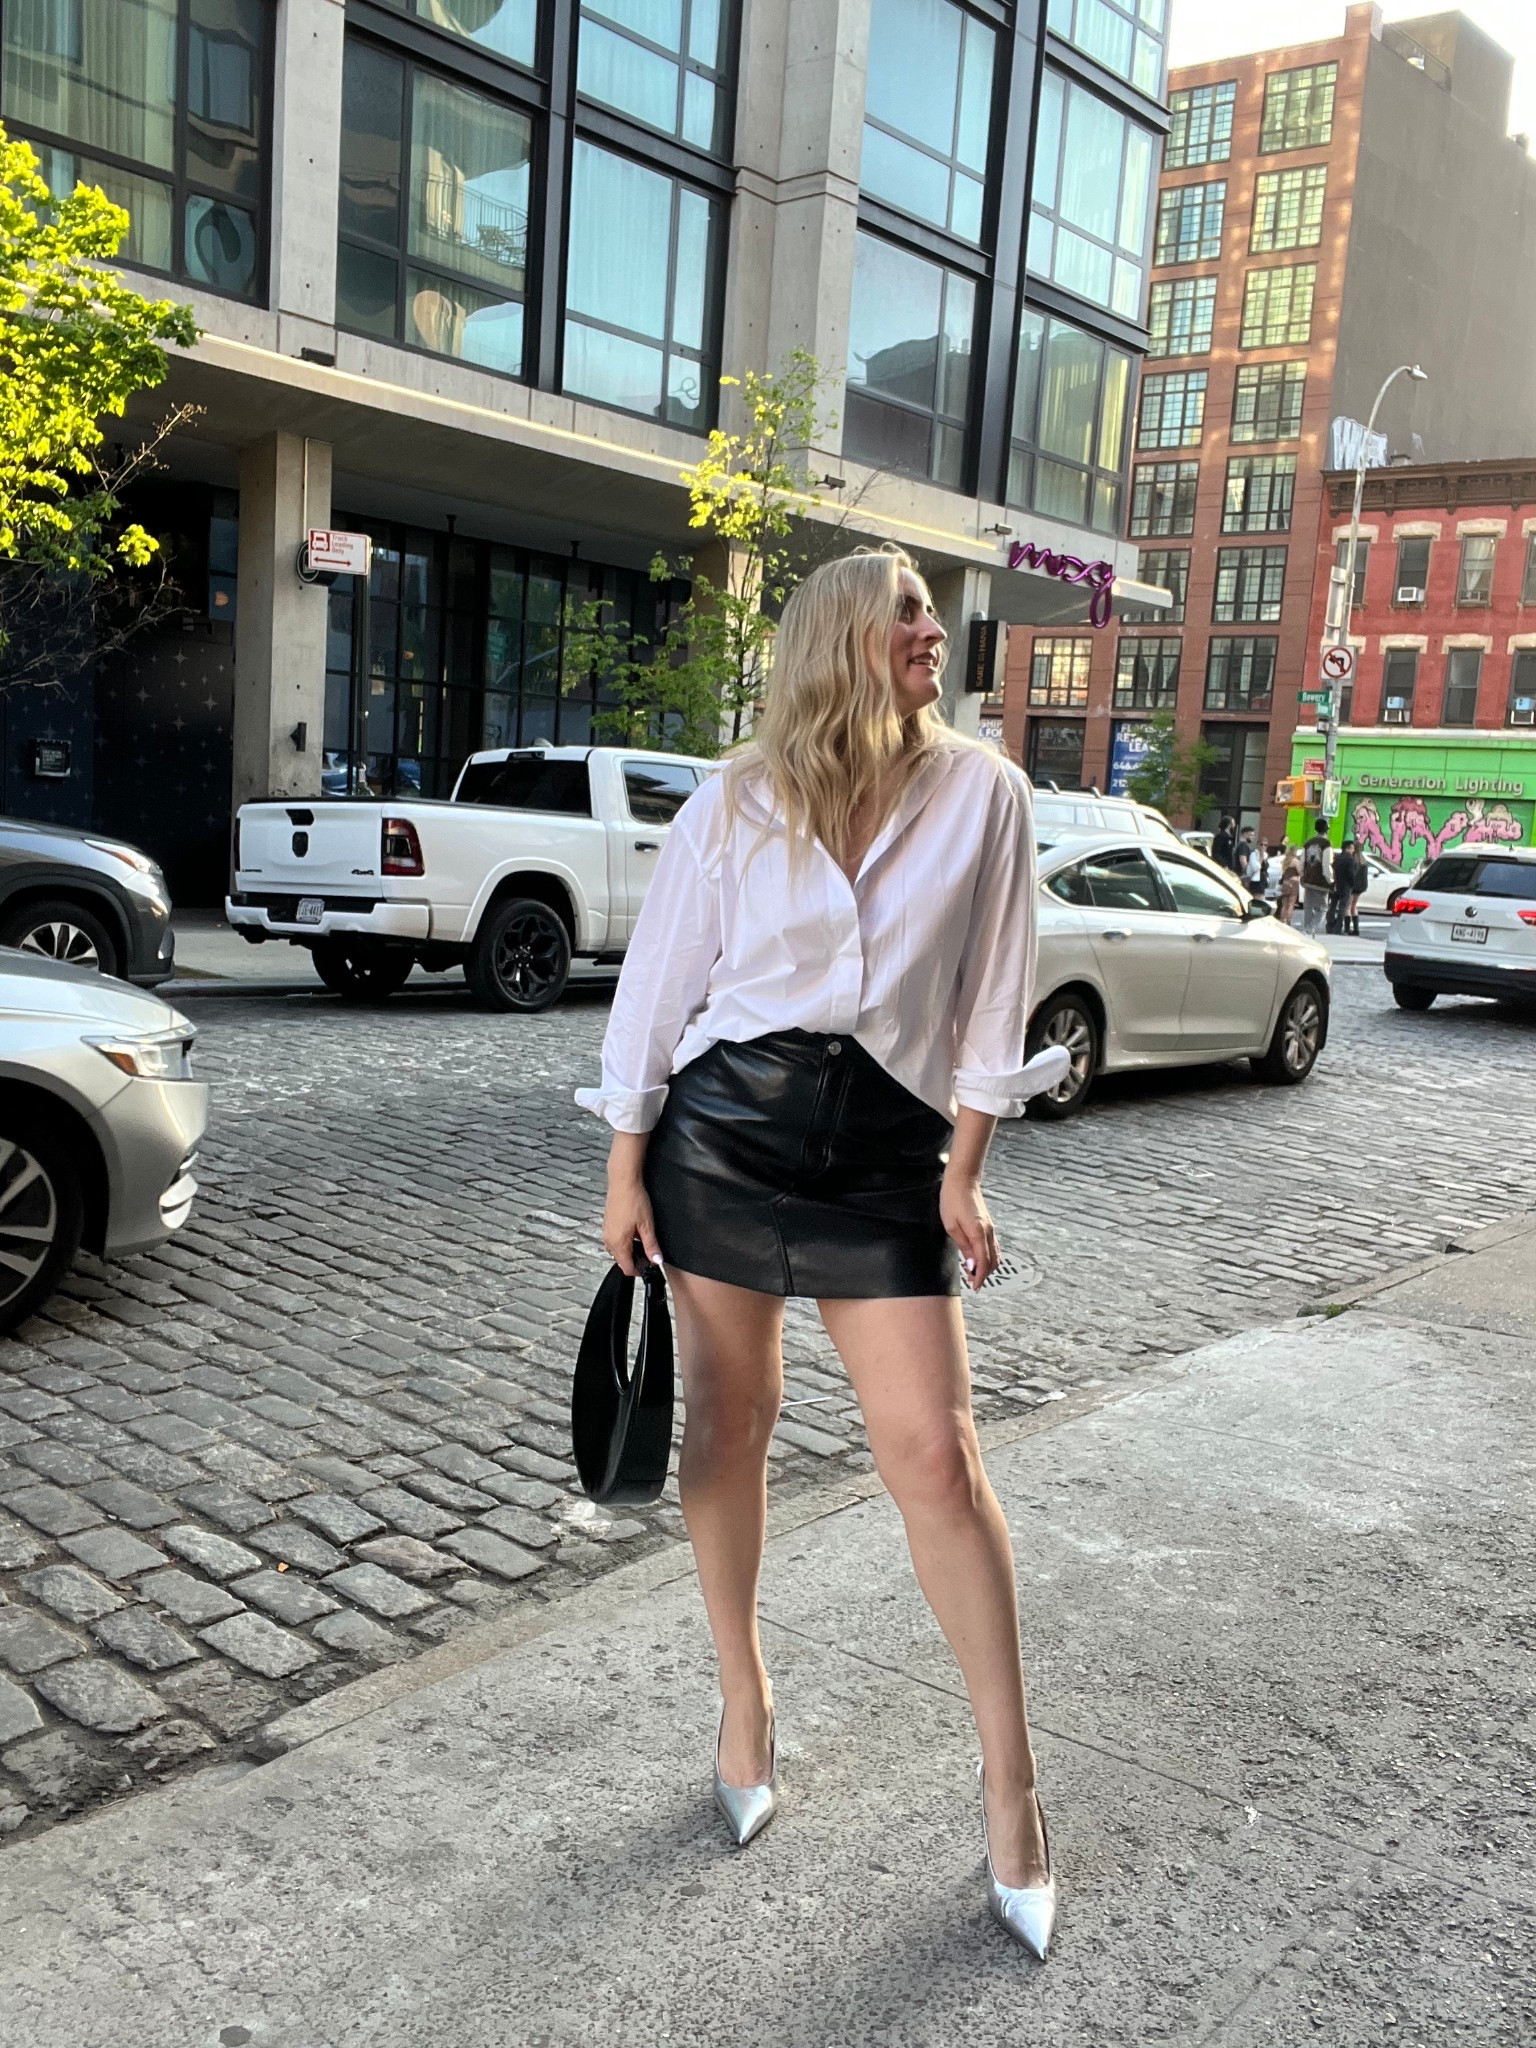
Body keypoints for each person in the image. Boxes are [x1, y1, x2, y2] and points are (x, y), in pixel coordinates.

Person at [577, 547, 1067, 1960]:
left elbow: (991, 998)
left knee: (936, 1458)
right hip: (721, 1143)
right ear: (842, 639)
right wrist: (625, 1162)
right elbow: (663, 985)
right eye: (908, 612)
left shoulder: (987, 793)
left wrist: (965, 1172)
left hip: (880, 1161)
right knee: (729, 1424)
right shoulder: (735, 800)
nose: (934, 630)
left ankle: (1013, 1789)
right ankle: (743, 1698)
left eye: (932, 611)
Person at [1300, 819, 1334, 936]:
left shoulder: (1308, 843)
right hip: (1321, 882)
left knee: (1308, 907)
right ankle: (1310, 928)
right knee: (1322, 908)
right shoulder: (1326, 844)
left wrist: (1302, 876)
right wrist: (1330, 881)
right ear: (1326, 830)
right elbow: (1326, 864)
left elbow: (1302, 862)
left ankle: (1305, 930)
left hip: (1308, 879)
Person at [1332, 837, 1366, 936]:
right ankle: (1356, 928)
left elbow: (1351, 874)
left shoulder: (1353, 859)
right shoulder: (1363, 860)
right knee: (1354, 906)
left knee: (1347, 907)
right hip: (1360, 887)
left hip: (1351, 885)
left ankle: (1347, 928)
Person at [1277, 847, 1302, 925]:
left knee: (1284, 904)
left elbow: (1283, 872)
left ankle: (1282, 920)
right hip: (1294, 882)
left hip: (1285, 882)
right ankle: (1288, 921)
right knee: (1291, 903)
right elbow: (1299, 872)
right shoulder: (1295, 861)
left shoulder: (1285, 861)